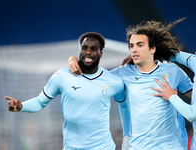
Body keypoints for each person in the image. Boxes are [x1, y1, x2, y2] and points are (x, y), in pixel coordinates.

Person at [68, 18, 193, 149]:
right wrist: (73, 59)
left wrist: (173, 97)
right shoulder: (122, 73)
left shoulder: (173, 71)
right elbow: (88, 77)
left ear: (152, 49)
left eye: (140, 45)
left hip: (172, 146)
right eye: (131, 46)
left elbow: (193, 97)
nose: (134, 49)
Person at [4, 32, 131, 150]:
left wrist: (126, 136)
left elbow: (124, 106)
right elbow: (40, 102)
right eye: (84, 48)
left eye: (93, 49)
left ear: (101, 53)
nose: (88, 52)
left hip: (102, 147)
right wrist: (21, 106)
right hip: (71, 147)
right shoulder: (62, 76)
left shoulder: (113, 81)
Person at [151, 51, 196, 150]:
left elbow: (192, 115)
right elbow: (172, 54)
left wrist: (171, 96)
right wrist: (140, 57)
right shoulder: (194, 61)